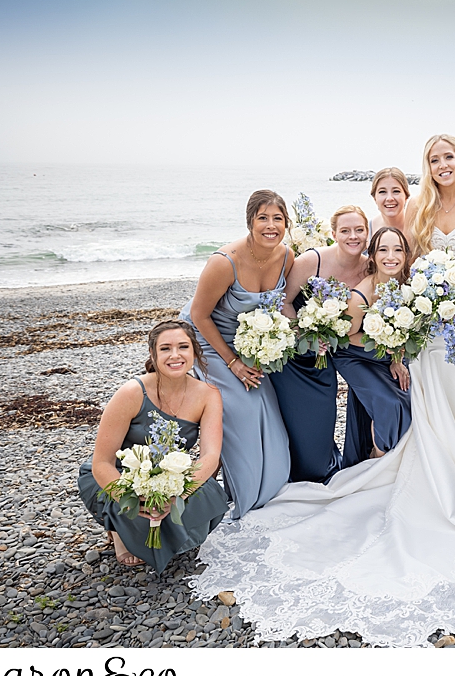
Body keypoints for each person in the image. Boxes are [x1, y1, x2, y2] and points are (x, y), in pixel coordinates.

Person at [190, 135, 455, 648]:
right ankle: (423, 467)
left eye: (449, 157)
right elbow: (393, 266)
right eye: (435, 158)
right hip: (423, 323)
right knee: (423, 402)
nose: (443, 165)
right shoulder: (414, 207)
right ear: (428, 164)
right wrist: (408, 322)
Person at [78, 321, 229, 571]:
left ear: (194, 352)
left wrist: (178, 495)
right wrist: (132, 498)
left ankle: (156, 531)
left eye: (183, 347)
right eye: (165, 349)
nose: (175, 355)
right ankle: (118, 531)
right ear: (153, 354)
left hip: (171, 477)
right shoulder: (132, 392)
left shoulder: (208, 394)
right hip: (124, 476)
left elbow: (211, 455)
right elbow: (102, 462)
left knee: (211, 491)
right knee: (133, 511)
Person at [180, 190, 292, 519]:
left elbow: (282, 305)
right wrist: (233, 363)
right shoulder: (223, 262)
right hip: (209, 342)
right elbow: (199, 316)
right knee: (242, 412)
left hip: (249, 345)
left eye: (278, 219)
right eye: (263, 218)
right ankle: (241, 495)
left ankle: (268, 489)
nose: (271, 226)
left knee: (270, 417)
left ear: (286, 223)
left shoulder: (287, 256)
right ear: (249, 222)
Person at [274, 205, 370, 482]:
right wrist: (306, 336)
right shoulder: (311, 261)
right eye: (345, 231)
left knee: (324, 423)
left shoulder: (369, 268)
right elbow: (285, 301)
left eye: (359, 230)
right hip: (299, 358)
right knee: (300, 422)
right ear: (334, 234)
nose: (353, 236)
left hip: (335, 354)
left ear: (367, 233)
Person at [334, 226, 412, 467]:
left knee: (408, 400)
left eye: (398, 250)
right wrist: (384, 345)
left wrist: (397, 358)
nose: (391, 257)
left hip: (386, 355)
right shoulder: (361, 297)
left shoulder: (408, 287)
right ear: (373, 256)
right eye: (383, 250)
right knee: (388, 403)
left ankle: (389, 454)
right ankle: (377, 460)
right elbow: (344, 338)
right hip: (354, 355)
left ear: (406, 255)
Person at [367, 167, 411, 240]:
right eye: (382, 192)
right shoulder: (367, 230)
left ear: (406, 196)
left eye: (396, 191)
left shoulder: (419, 228)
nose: (389, 198)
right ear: (375, 198)